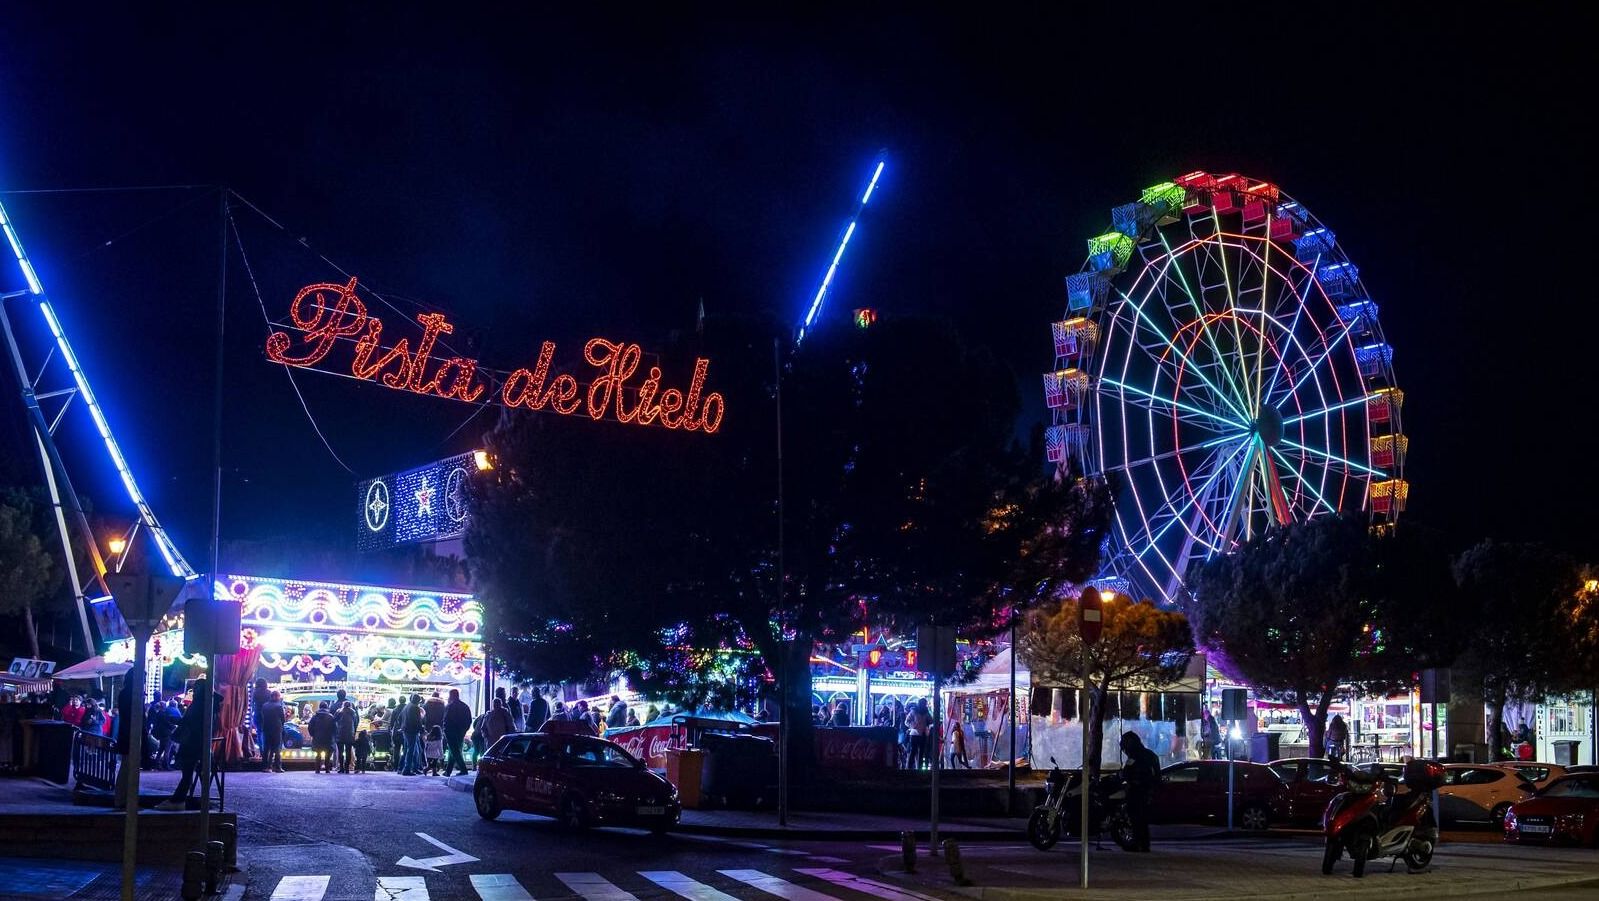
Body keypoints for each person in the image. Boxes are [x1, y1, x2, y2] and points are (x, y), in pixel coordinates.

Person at [156, 680, 211, 811]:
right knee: (191, 773)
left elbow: (190, 721)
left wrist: (177, 721)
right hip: (198, 742)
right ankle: (187, 799)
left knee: (187, 773)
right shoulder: (207, 704)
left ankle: (179, 800)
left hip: (192, 742)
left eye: (196, 688)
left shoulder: (198, 705)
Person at [1120, 731, 1161, 852]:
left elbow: (1126, 773)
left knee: (1136, 818)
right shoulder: (1151, 755)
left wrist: (1124, 777)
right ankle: (1144, 844)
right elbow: (1157, 775)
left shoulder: (1134, 756)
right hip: (1147, 790)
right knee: (1142, 819)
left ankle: (1138, 843)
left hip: (1136, 790)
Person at [442, 688, 472, 777]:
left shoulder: (450, 706)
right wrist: (464, 730)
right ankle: (448, 771)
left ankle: (463, 769)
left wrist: (445, 730)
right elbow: (469, 720)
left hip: (451, 732)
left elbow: (446, 720)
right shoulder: (465, 706)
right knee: (454, 750)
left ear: (451, 695)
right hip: (460, 732)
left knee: (455, 751)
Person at [400, 694, 426, 775]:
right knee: (412, 750)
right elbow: (417, 721)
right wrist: (422, 730)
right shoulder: (415, 707)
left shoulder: (407, 706)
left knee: (411, 750)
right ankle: (407, 769)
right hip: (412, 731)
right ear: (417, 700)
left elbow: (400, 717)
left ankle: (413, 768)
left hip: (406, 730)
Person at [261, 691, 286, 773]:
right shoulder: (279, 706)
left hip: (266, 729)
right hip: (276, 729)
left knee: (266, 748)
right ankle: (277, 767)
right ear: (277, 696)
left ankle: (266, 767)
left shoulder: (264, 705)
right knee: (276, 748)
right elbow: (283, 719)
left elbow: (262, 717)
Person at [308, 701, 336, 773]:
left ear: (319, 707)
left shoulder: (315, 717)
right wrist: (333, 736)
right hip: (328, 739)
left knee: (318, 754)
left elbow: (310, 727)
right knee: (328, 755)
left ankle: (317, 769)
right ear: (327, 707)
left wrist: (313, 735)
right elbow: (335, 728)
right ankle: (327, 769)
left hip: (318, 738)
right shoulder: (331, 717)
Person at [336, 700, 358, 774]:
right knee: (348, 751)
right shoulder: (353, 712)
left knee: (340, 752)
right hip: (349, 734)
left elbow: (334, 720)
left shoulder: (339, 711)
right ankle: (347, 768)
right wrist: (354, 732)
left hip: (340, 733)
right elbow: (356, 723)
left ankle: (341, 767)